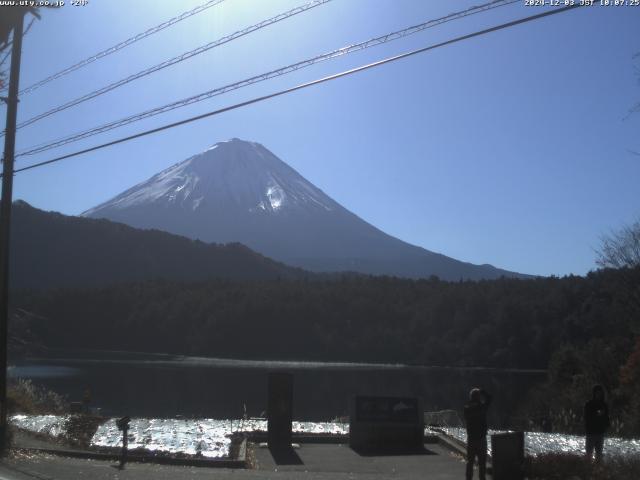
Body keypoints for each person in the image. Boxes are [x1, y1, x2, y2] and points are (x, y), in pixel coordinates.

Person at [464, 388, 492, 480]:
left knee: (470, 462)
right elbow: (489, 399)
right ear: (479, 397)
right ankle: (482, 478)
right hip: (481, 439)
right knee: (482, 463)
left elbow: (466, 416)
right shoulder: (482, 407)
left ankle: (468, 478)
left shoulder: (467, 408)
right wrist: (483, 391)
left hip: (471, 438)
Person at [584, 385, 610, 462]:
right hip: (591, 432)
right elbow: (587, 417)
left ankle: (598, 470)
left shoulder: (604, 405)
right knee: (589, 453)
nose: (599, 395)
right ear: (594, 393)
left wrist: (607, 425)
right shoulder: (589, 404)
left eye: (600, 393)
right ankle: (588, 469)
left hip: (600, 432)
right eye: (597, 393)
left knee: (599, 454)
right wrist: (597, 414)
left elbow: (607, 418)